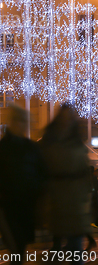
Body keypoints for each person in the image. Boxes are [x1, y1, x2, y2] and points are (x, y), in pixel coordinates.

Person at [0, 105, 46, 264]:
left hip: (25, 206)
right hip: (8, 206)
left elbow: (41, 174)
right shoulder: (5, 147)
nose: (22, 125)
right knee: (16, 249)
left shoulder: (30, 147)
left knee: (19, 248)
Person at [40, 103, 92, 260]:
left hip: (74, 202)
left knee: (75, 249)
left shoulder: (77, 144)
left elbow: (84, 174)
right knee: (57, 246)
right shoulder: (49, 143)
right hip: (56, 200)